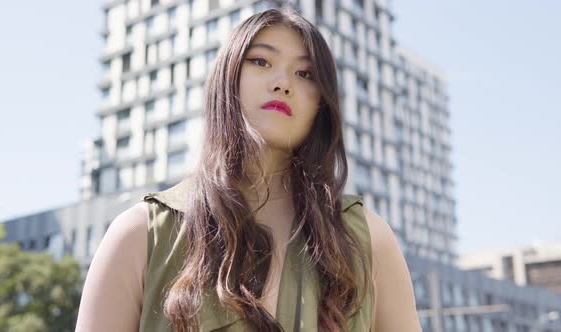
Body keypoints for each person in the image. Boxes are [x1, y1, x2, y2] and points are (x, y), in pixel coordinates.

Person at [75, 7, 421, 332]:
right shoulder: (141, 234)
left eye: (305, 73)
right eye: (260, 61)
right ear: (228, 79)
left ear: (322, 102)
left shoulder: (368, 240)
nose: (282, 83)